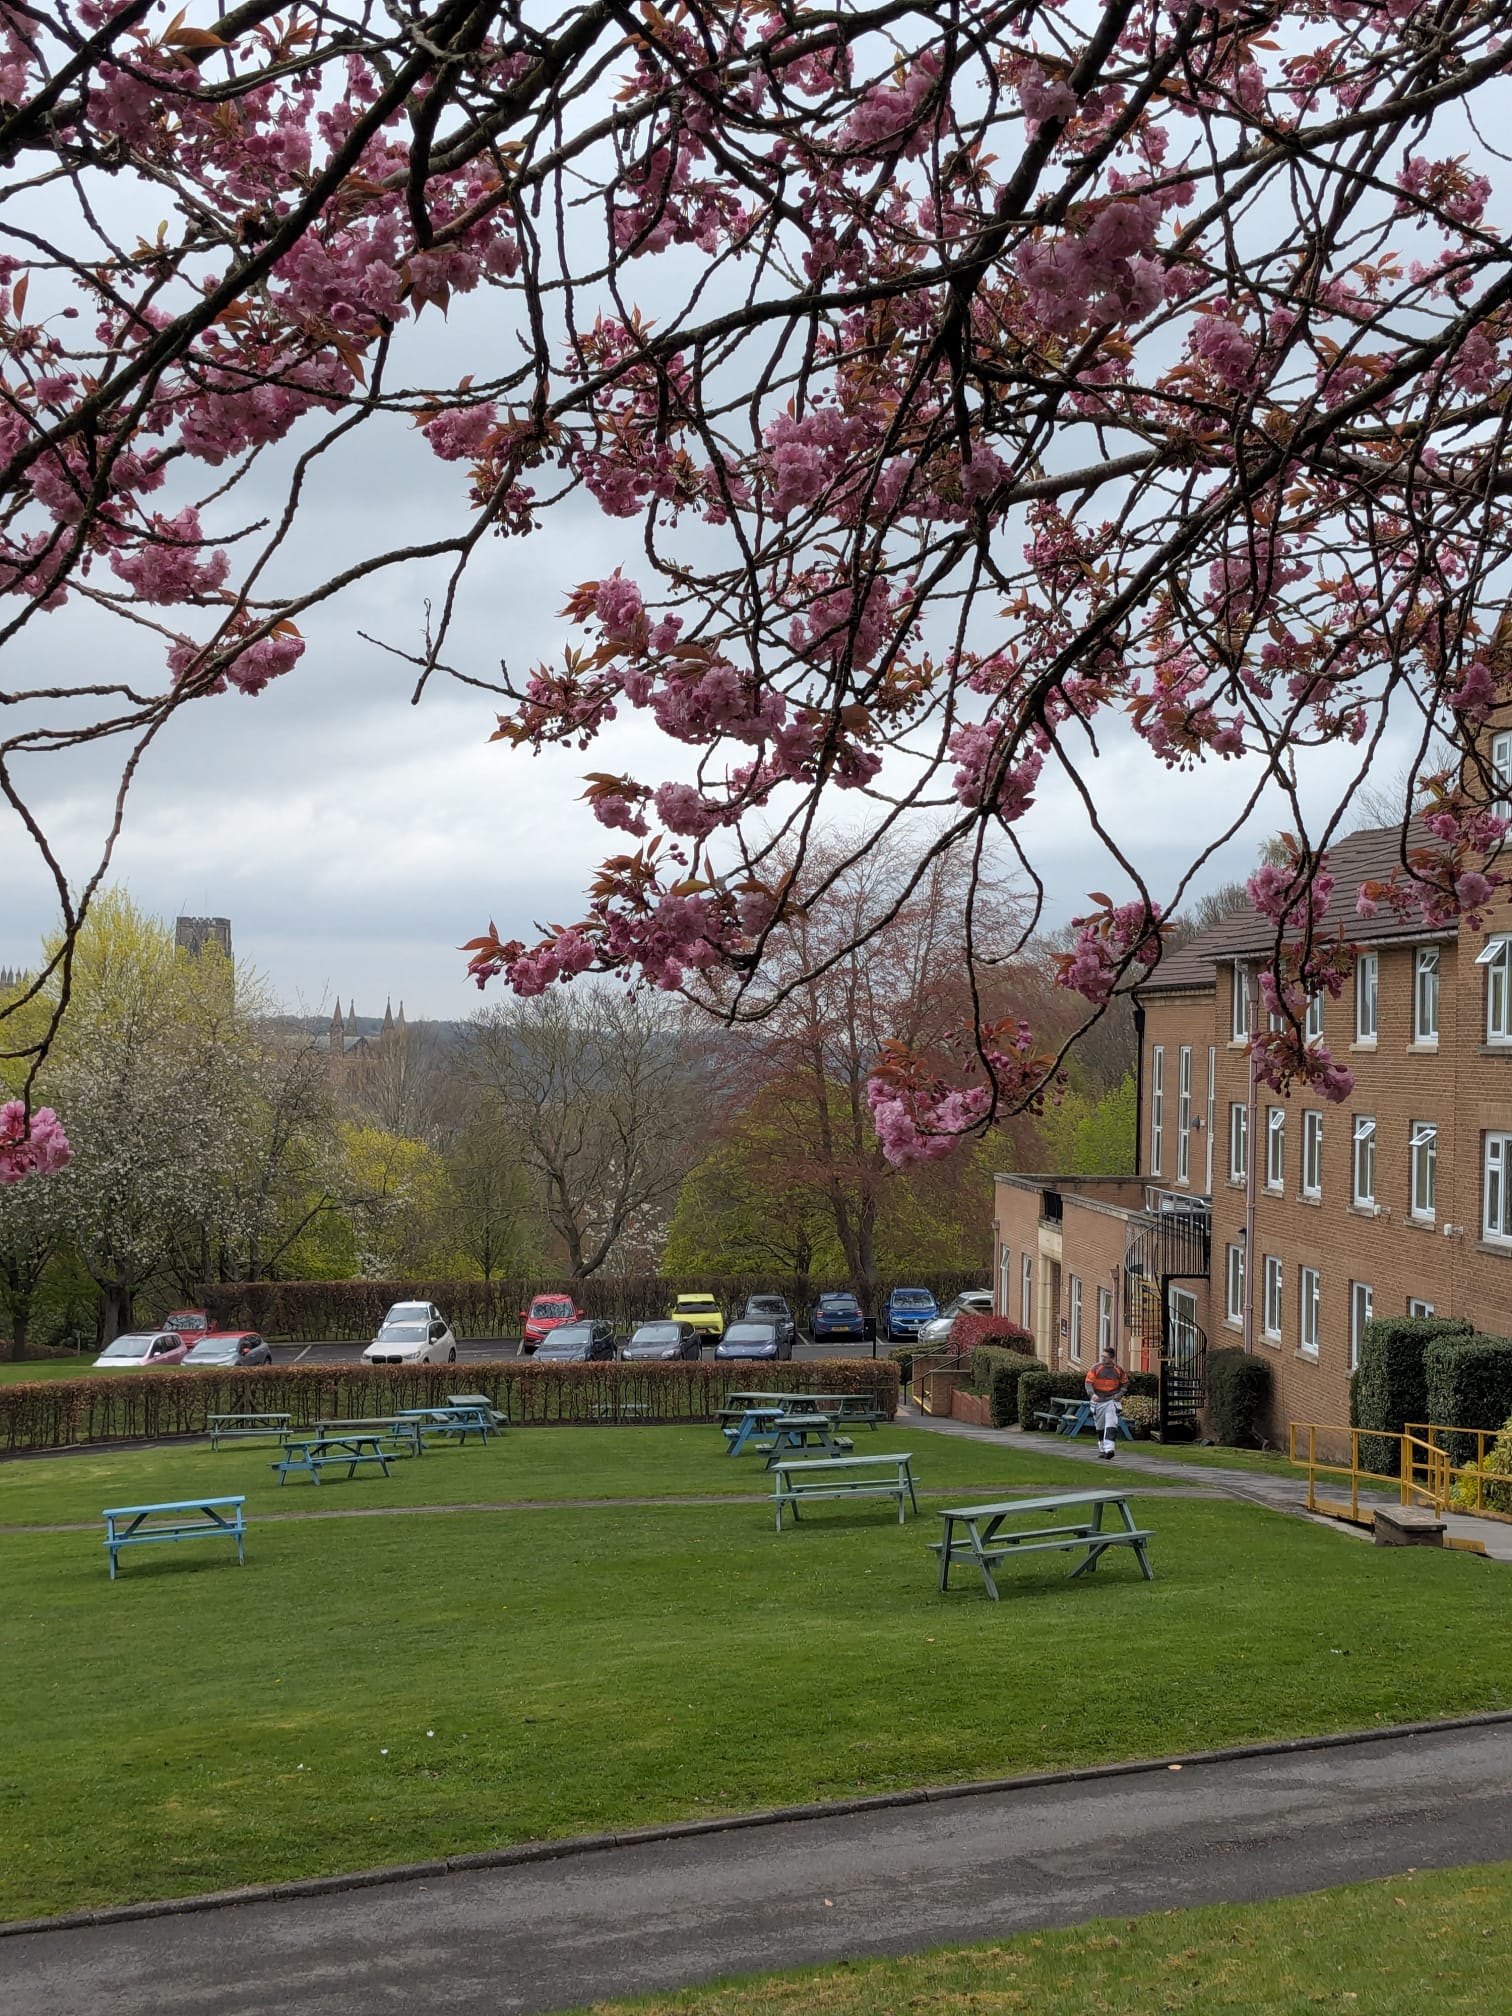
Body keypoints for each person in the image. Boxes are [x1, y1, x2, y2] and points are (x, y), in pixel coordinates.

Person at [1085, 1341, 1129, 1460]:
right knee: (1100, 1427)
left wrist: (1119, 1394)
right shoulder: (1096, 1368)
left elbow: (1124, 1384)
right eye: (1102, 1356)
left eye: (1105, 1357)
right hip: (1098, 1401)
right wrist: (1092, 1394)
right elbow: (1088, 1382)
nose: (1103, 1359)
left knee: (1111, 1424)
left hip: (1111, 1400)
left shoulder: (1119, 1370)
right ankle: (1102, 1448)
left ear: (1111, 1358)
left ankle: (1110, 1449)